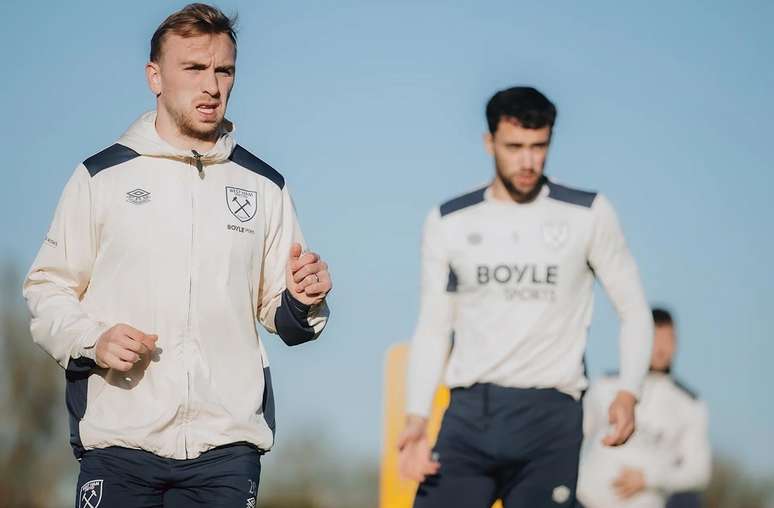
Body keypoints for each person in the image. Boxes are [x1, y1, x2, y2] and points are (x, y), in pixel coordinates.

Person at [22, 4, 332, 507]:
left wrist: (304, 298)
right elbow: (46, 289)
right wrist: (93, 339)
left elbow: (285, 315)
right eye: (193, 68)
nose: (211, 85)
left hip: (226, 452)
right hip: (120, 444)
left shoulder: (265, 186)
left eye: (223, 70)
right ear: (155, 77)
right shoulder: (101, 178)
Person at [397, 86, 653, 507]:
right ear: (489, 142)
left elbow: (635, 311)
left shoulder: (588, 213)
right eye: (514, 147)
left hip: (550, 417)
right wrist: (416, 418)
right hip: (470, 415)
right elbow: (433, 326)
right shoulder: (450, 220)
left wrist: (630, 391)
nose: (528, 161)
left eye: (539, 146)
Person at [577, 308, 711, 508]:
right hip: (588, 501)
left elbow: (698, 471)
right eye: (656, 338)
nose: (662, 348)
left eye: (669, 340)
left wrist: (650, 479)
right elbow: (577, 437)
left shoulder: (690, 404)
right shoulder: (605, 385)